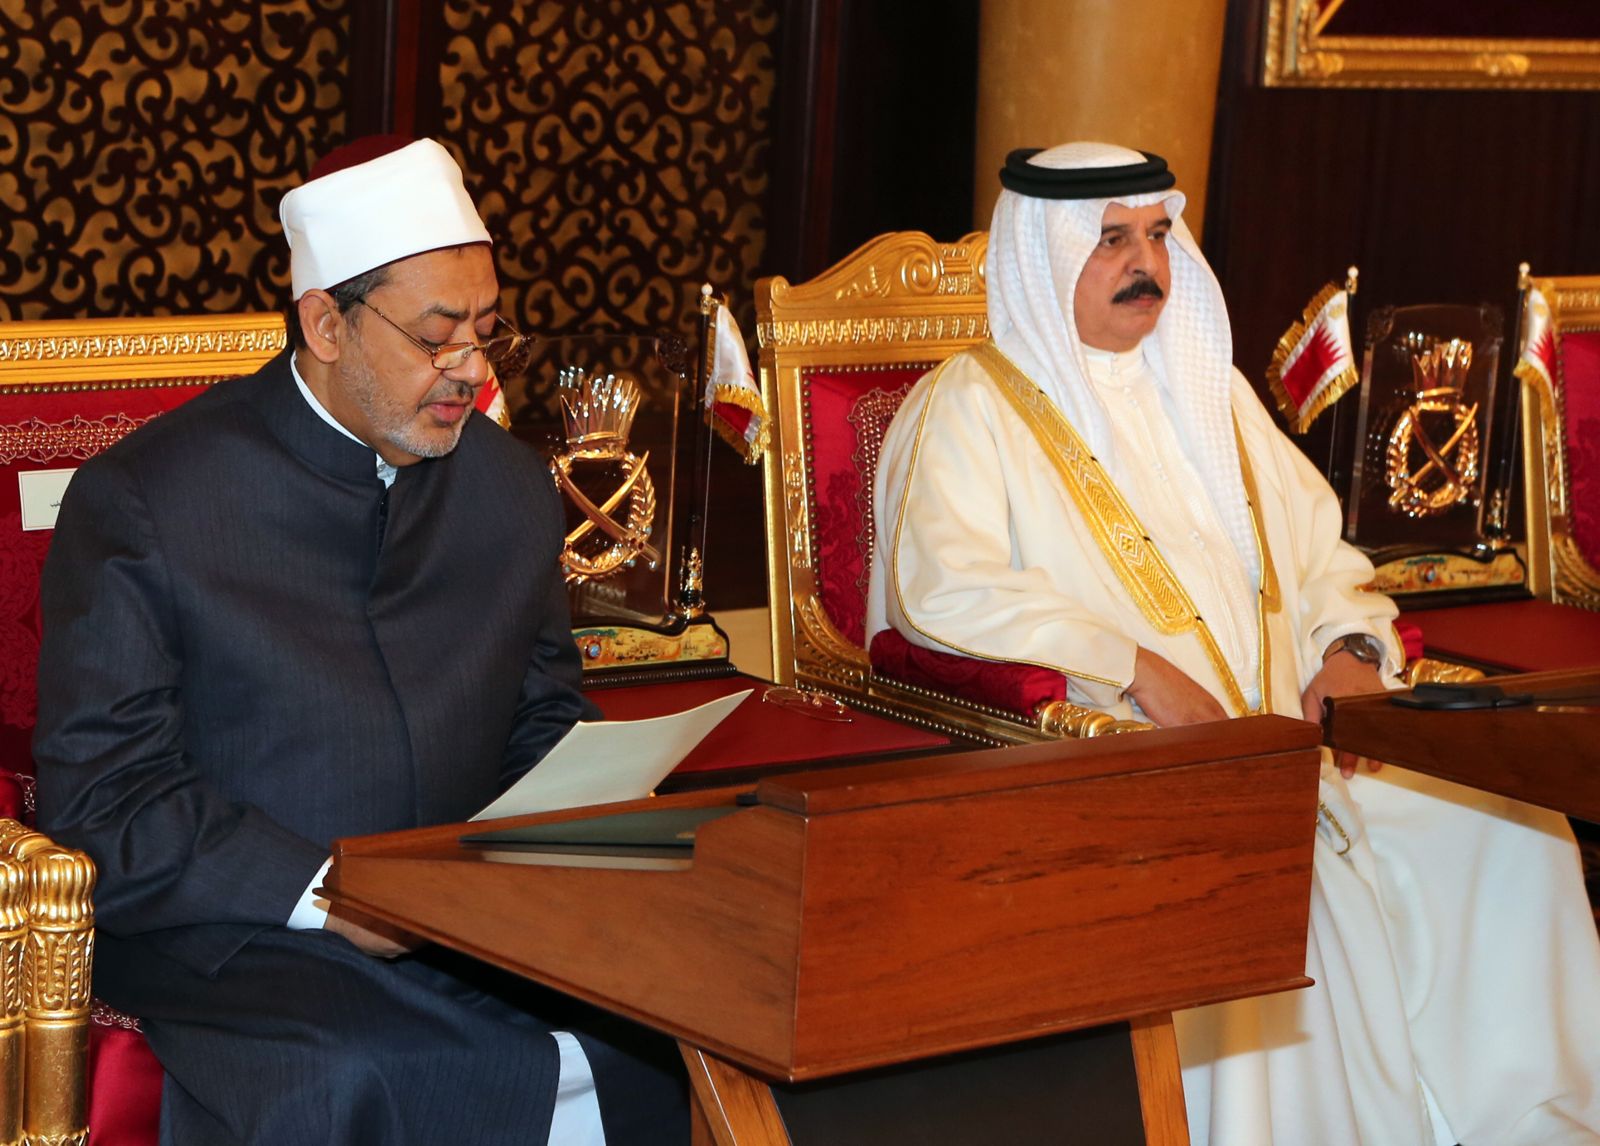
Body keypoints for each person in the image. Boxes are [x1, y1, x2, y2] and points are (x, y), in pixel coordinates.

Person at [867, 141, 1600, 1146]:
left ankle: (1529, 1123)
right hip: (1123, 764)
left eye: (1157, 235)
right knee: (1288, 899)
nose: (1146, 263)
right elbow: (938, 596)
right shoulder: (967, 409)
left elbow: (1322, 557)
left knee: (1508, 826)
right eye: (1111, 240)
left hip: (1297, 747)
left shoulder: (1206, 390)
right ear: (1044, 256)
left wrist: (1347, 651)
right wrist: (1134, 671)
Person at [33, 136, 688, 1145]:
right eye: (437, 338)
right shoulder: (148, 499)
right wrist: (326, 892)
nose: (472, 370)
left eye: (487, 332)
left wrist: (586, 815)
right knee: (370, 1076)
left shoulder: (508, 487)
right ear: (326, 324)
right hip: (241, 931)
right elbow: (107, 798)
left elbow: (541, 719)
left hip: (468, 919)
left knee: (672, 1025)